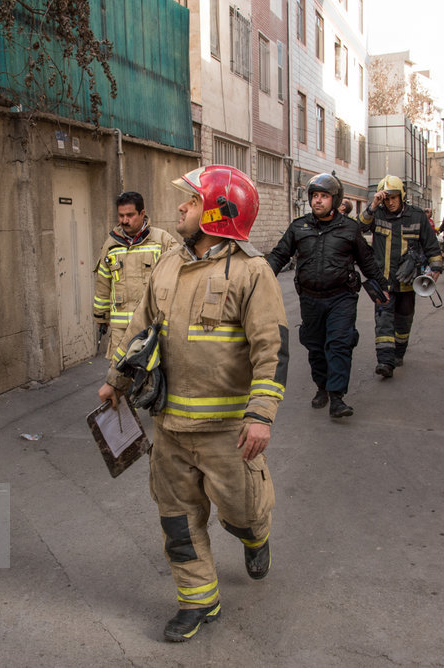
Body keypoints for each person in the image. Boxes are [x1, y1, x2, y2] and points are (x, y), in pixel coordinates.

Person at [97, 165, 289, 643]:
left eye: (191, 200)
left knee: (241, 512)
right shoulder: (167, 265)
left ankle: (254, 533)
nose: (181, 207)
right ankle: (198, 600)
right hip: (170, 429)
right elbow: (139, 331)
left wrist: (261, 415)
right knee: (177, 519)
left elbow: (272, 348)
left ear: (219, 212)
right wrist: (116, 381)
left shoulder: (251, 271)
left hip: (228, 432)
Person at [266, 173, 388, 417]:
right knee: (315, 346)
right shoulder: (298, 227)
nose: (318, 201)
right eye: (314, 196)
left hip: (341, 297)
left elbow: (367, 262)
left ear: (335, 199)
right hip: (310, 299)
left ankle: (337, 397)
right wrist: (260, 275)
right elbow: (279, 255)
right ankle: (321, 386)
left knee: (339, 343)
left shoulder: (350, 229)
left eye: (323, 196)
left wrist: (381, 284)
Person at [359, 175, 442, 377]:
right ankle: (385, 362)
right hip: (384, 283)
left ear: (402, 196)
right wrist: (373, 205)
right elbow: (359, 227)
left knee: (403, 322)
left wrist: (435, 270)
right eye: (386, 198)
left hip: (407, 283)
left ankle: (399, 352)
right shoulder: (377, 214)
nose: (390, 202)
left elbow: (432, 246)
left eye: (394, 197)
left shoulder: (417, 216)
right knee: (383, 321)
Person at [93, 192, 178, 358]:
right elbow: (103, 282)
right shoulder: (111, 245)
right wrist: (101, 317)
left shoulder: (162, 240)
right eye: (121, 215)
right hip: (121, 330)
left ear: (142, 214)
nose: (125, 220)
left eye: (130, 215)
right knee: (118, 375)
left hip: (153, 325)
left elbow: (181, 277)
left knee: (154, 376)